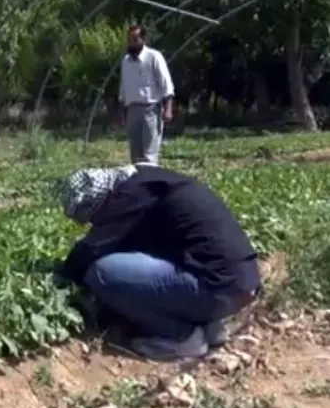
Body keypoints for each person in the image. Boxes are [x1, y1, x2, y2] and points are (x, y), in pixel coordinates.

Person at [53, 163, 261, 360]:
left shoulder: (130, 196)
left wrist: (62, 279)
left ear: (103, 201)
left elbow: (93, 248)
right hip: (241, 284)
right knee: (138, 260)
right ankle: (209, 324)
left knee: (101, 272)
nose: (96, 223)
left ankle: (181, 337)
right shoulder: (151, 182)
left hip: (216, 288)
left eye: (95, 217)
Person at [118, 24, 175, 164]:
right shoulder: (126, 61)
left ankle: (150, 181)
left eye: (135, 40)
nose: (131, 43)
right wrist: (122, 112)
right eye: (129, 40)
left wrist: (168, 109)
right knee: (135, 154)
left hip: (150, 110)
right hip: (132, 110)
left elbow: (166, 84)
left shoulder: (154, 57)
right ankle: (138, 183)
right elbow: (124, 88)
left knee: (149, 153)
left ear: (143, 39)